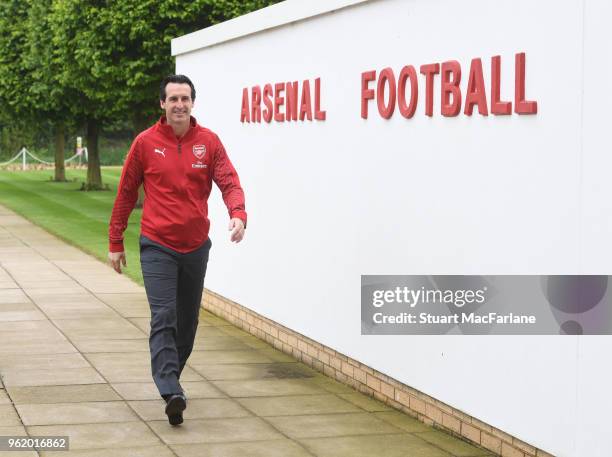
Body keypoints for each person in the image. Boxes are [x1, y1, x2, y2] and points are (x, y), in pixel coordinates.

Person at [108, 74, 247, 426]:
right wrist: (115, 240)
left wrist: (238, 213)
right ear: (162, 104)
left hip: (196, 246)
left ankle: (173, 379)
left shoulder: (209, 142)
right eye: (173, 99)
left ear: (192, 103)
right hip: (157, 244)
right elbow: (126, 192)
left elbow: (228, 181)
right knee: (165, 316)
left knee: (188, 322)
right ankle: (171, 390)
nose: (179, 105)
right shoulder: (145, 143)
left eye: (185, 99)